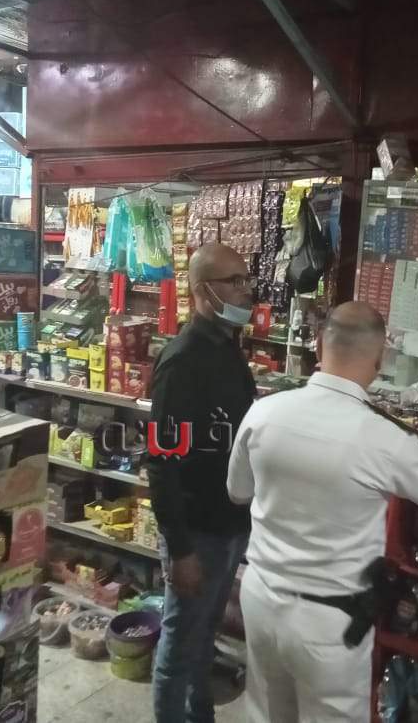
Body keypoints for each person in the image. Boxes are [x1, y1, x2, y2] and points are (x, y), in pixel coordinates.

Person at [226, 301, 418, 722]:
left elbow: (238, 492)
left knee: (266, 714)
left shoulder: (264, 411)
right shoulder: (385, 439)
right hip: (328, 623)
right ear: (380, 359)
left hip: (260, 598)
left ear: (319, 346)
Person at [148, 242, 257, 723]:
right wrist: (181, 549)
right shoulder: (183, 360)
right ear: (202, 291)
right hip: (197, 532)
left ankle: (200, 715)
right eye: (234, 281)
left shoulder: (228, 348)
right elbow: (161, 461)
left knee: (203, 636)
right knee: (179, 646)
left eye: (246, 279)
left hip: (229, 523)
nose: (246, 290)